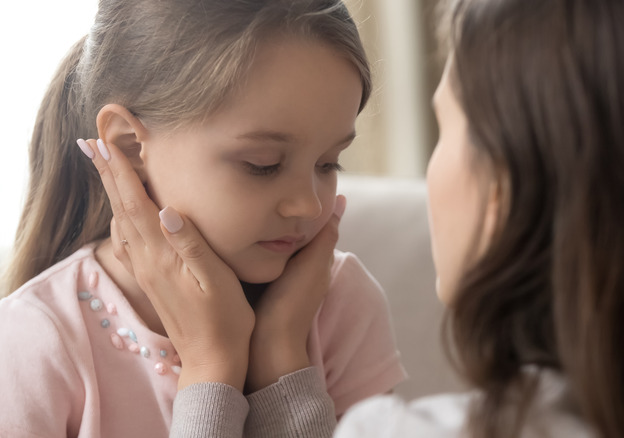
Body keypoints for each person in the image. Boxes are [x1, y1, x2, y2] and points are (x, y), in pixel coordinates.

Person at [62, 0, 624, 437]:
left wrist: (226, 370)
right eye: (261, 164)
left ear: (509, 185)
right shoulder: (41, 341)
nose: (309, 206)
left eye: (448, 132)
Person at [0, 1, 408, 437]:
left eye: (329, 163)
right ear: (132, 146)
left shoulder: (342, 304)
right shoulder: (31, 344)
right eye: (262, 164)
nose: (308, 205)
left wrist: (282, 358)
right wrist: (213, 367)